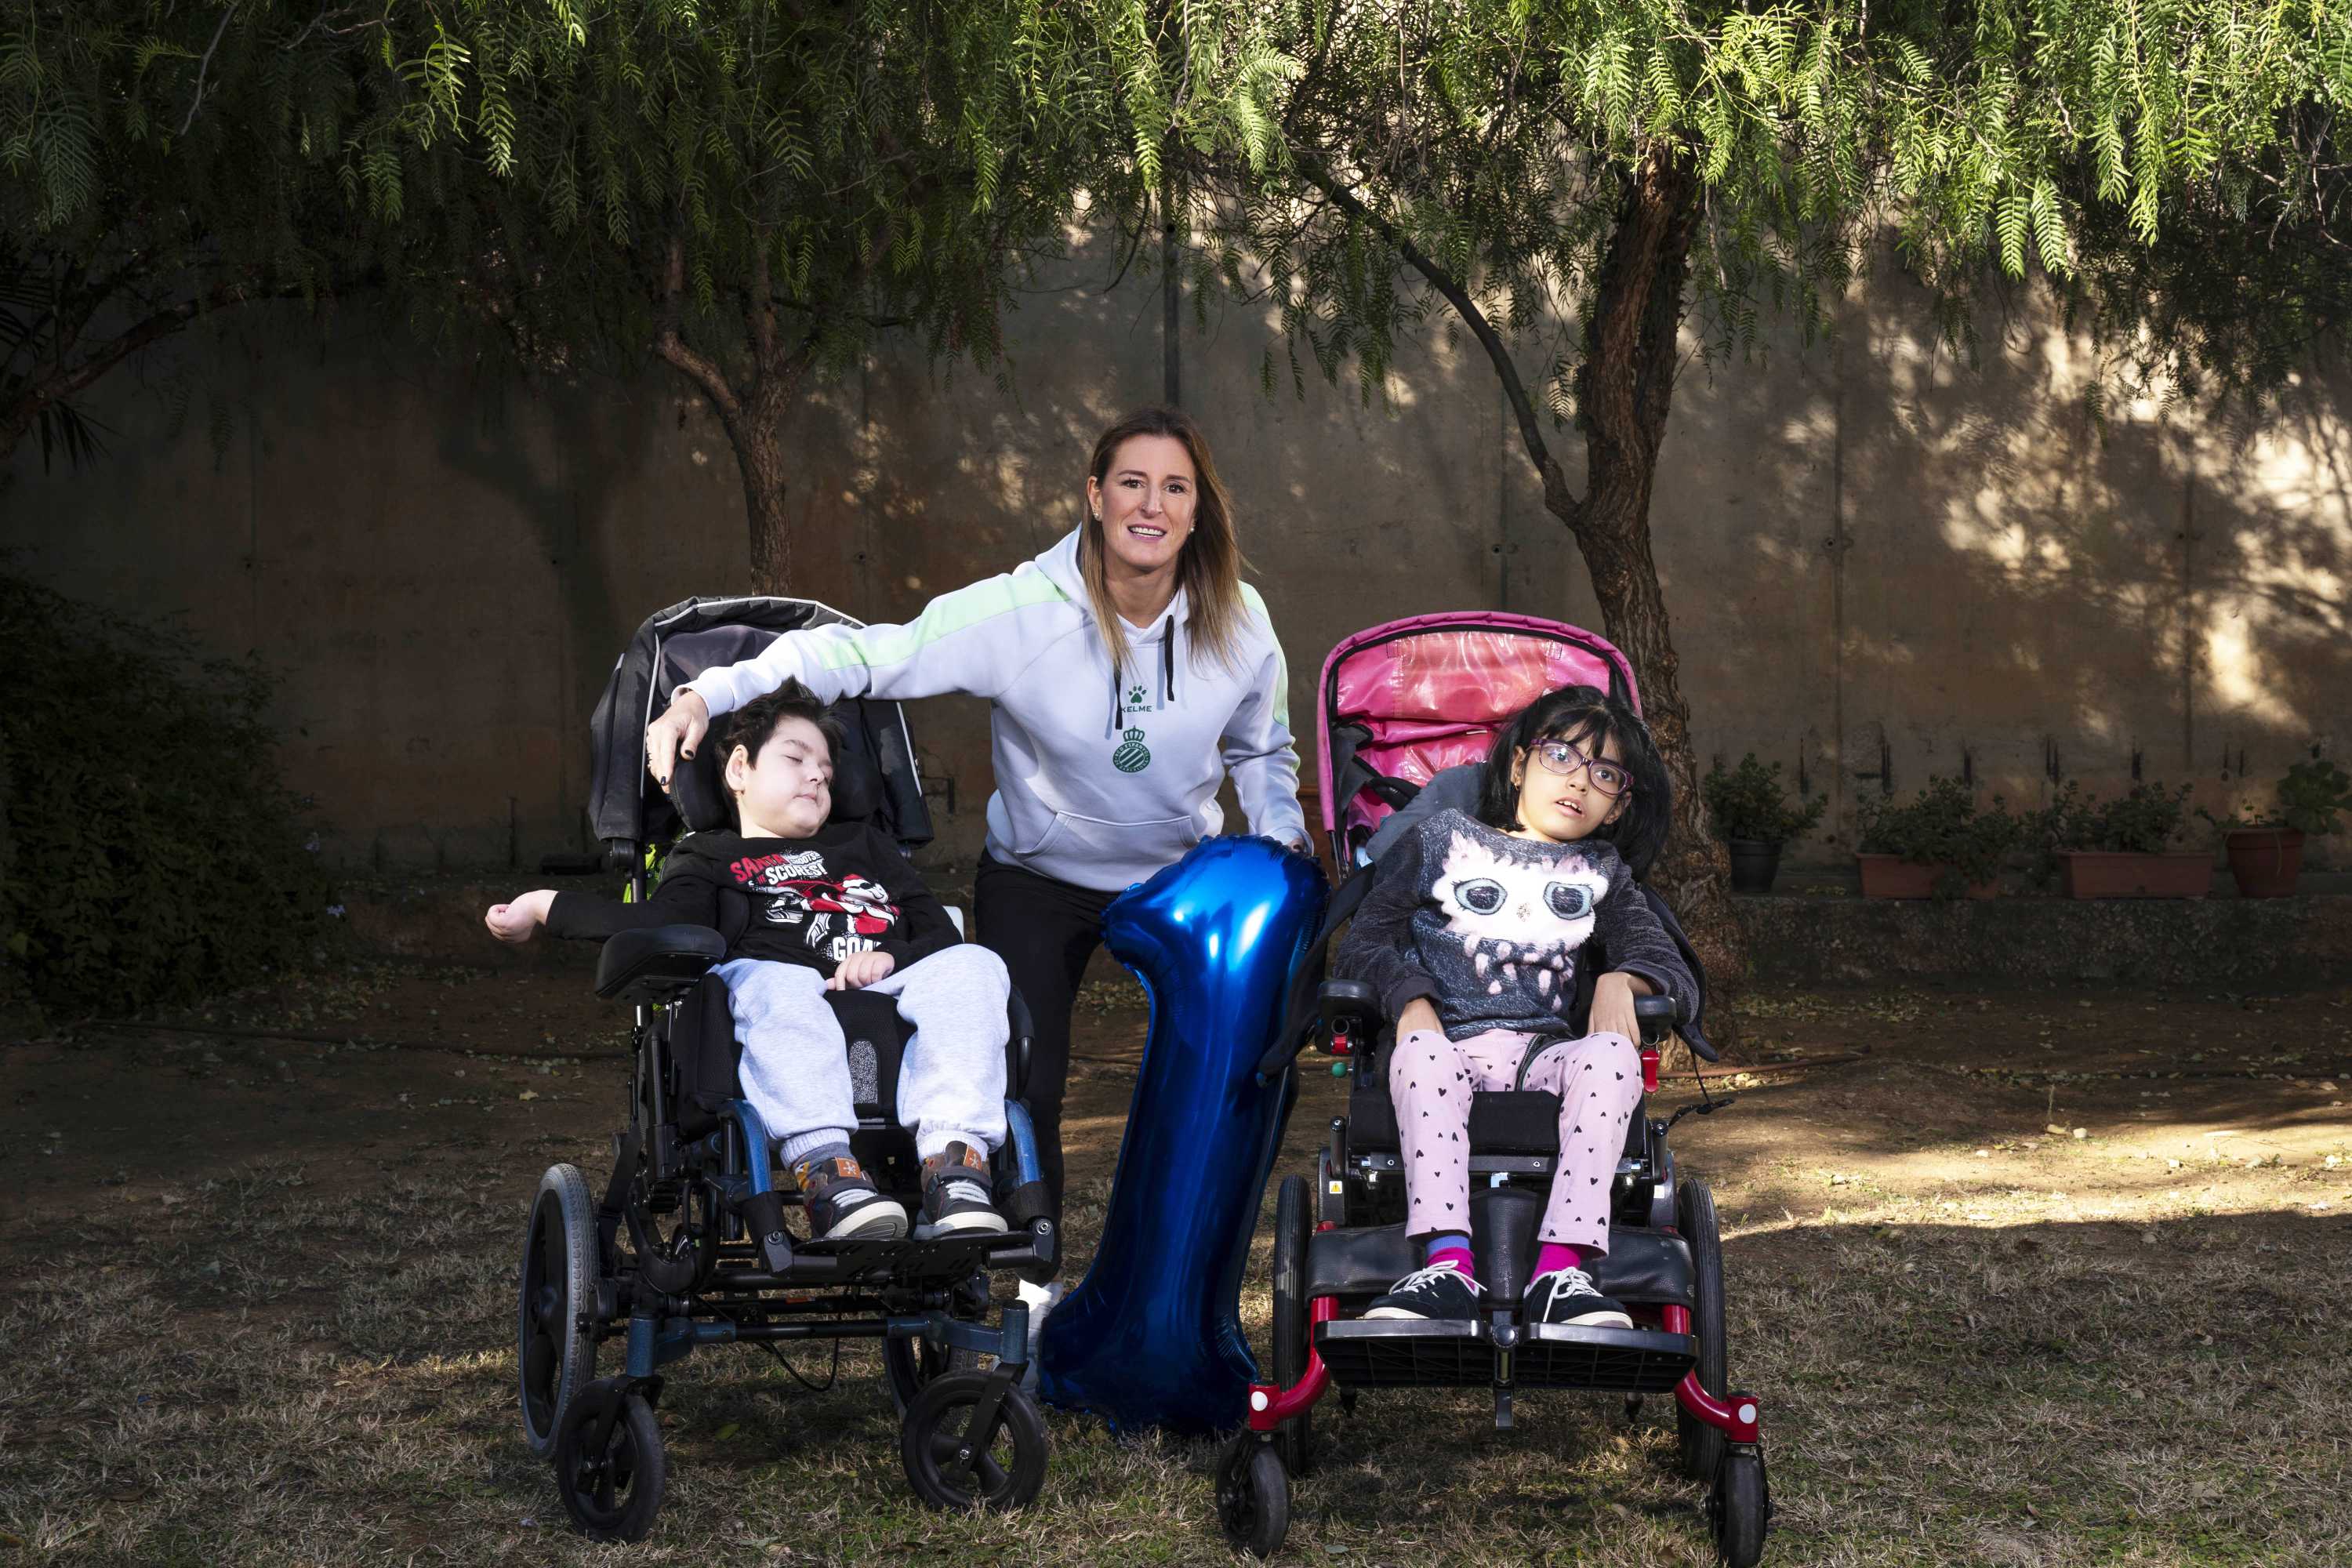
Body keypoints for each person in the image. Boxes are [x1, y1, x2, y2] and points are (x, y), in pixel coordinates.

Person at [639, 407, 1308, 1312]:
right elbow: (865, 655)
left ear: (1198, 510)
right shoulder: (1022, 613)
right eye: (1132, 482)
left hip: (1178, 877)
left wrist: (1281, 845)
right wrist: (706, 694)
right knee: (1029, 1078)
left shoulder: (1238, 618)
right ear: (1095, 496)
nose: (1152, 504)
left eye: (1174, 487)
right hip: (1040, 874)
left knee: (1218, 1075)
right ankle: (1034, 1286)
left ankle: (1180, 1293)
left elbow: (1263, 750)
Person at [485, 681, 1014, 1241]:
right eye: (796, 759)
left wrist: (889, 956)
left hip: (889, 989)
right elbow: (656, 923)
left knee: (976, 963)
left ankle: (955, 1166)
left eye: (826, 771)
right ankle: (828, 1171)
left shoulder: (866, 846)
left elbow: (937, 932)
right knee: (774, 981)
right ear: (740, 768)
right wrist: (542, 906)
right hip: (774, 995)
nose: (817, 776)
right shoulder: (711, 856)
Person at [1333, 684, 1694, 1327]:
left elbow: (1667, 964)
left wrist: (1623, 980)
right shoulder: (1441, 839)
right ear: (1520, 765)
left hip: (1543, 1055)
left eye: (1604, 773)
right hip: (1445, 1043)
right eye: (1561, 756)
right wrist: (1409, 999)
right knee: (1421, 1053)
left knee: (1612, 1056)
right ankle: (1447, 1267)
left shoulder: (1601, 872)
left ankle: (1561, 1275)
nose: (1578, 781)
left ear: (1618, 806)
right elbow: (1363, 943)